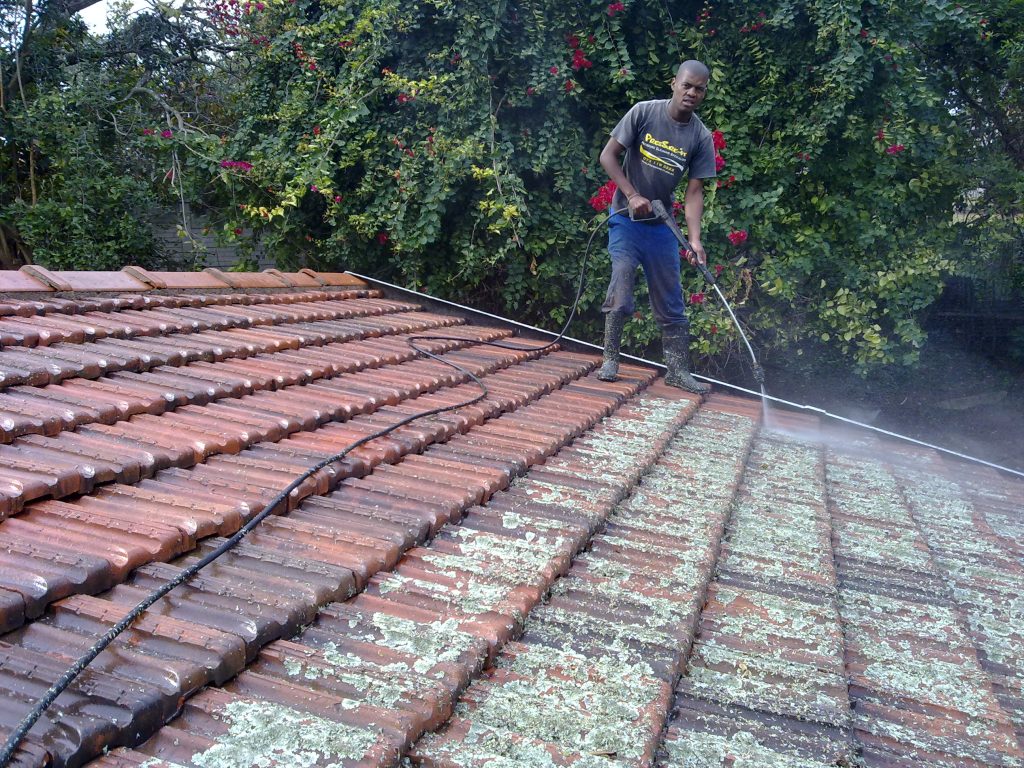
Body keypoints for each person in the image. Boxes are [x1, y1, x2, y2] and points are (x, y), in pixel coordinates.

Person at [596, 59, 716, 394]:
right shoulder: (643, 112)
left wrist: (694, 240)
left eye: (699, 89)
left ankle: (677, 371)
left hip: (661, 225)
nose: (691, 93)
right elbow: (608, 155)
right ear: (674, 83)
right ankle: (610, 359)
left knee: (672, 298)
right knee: (621, 275)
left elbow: (694, 191)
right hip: (625, 218)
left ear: (704, 93)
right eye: (687, 85)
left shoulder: (700, 137)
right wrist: (632, 194)